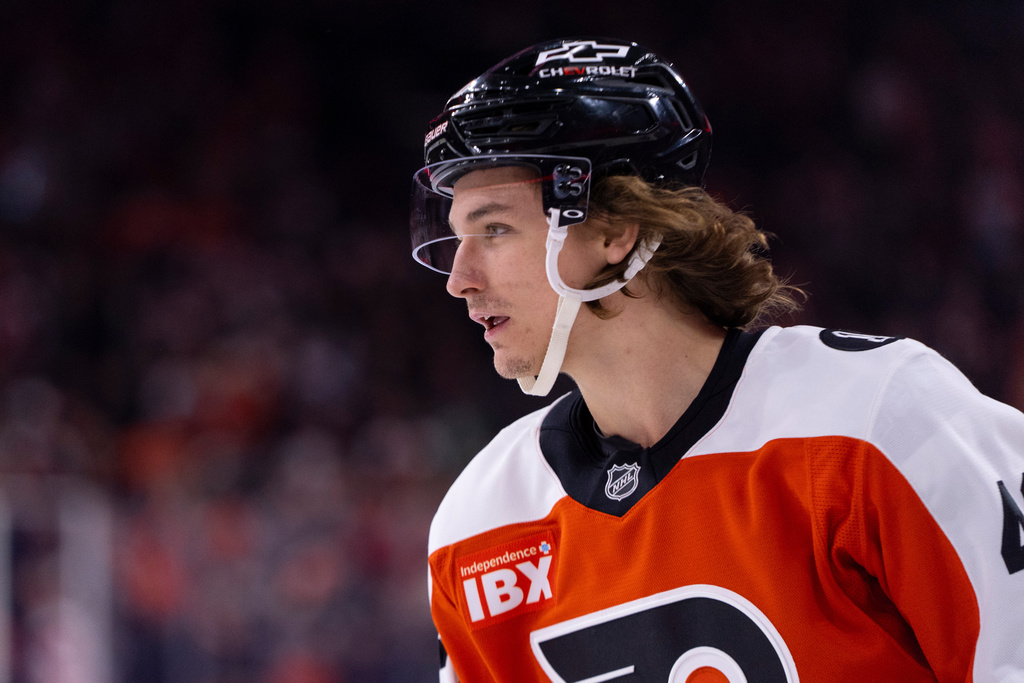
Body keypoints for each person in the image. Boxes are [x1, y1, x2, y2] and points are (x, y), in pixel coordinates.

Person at [409, 37, 1024, 682]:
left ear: (616, 231)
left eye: (495, 228)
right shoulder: (481, 524)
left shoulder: (877, 423)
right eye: (457, 234)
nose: (459, 277)